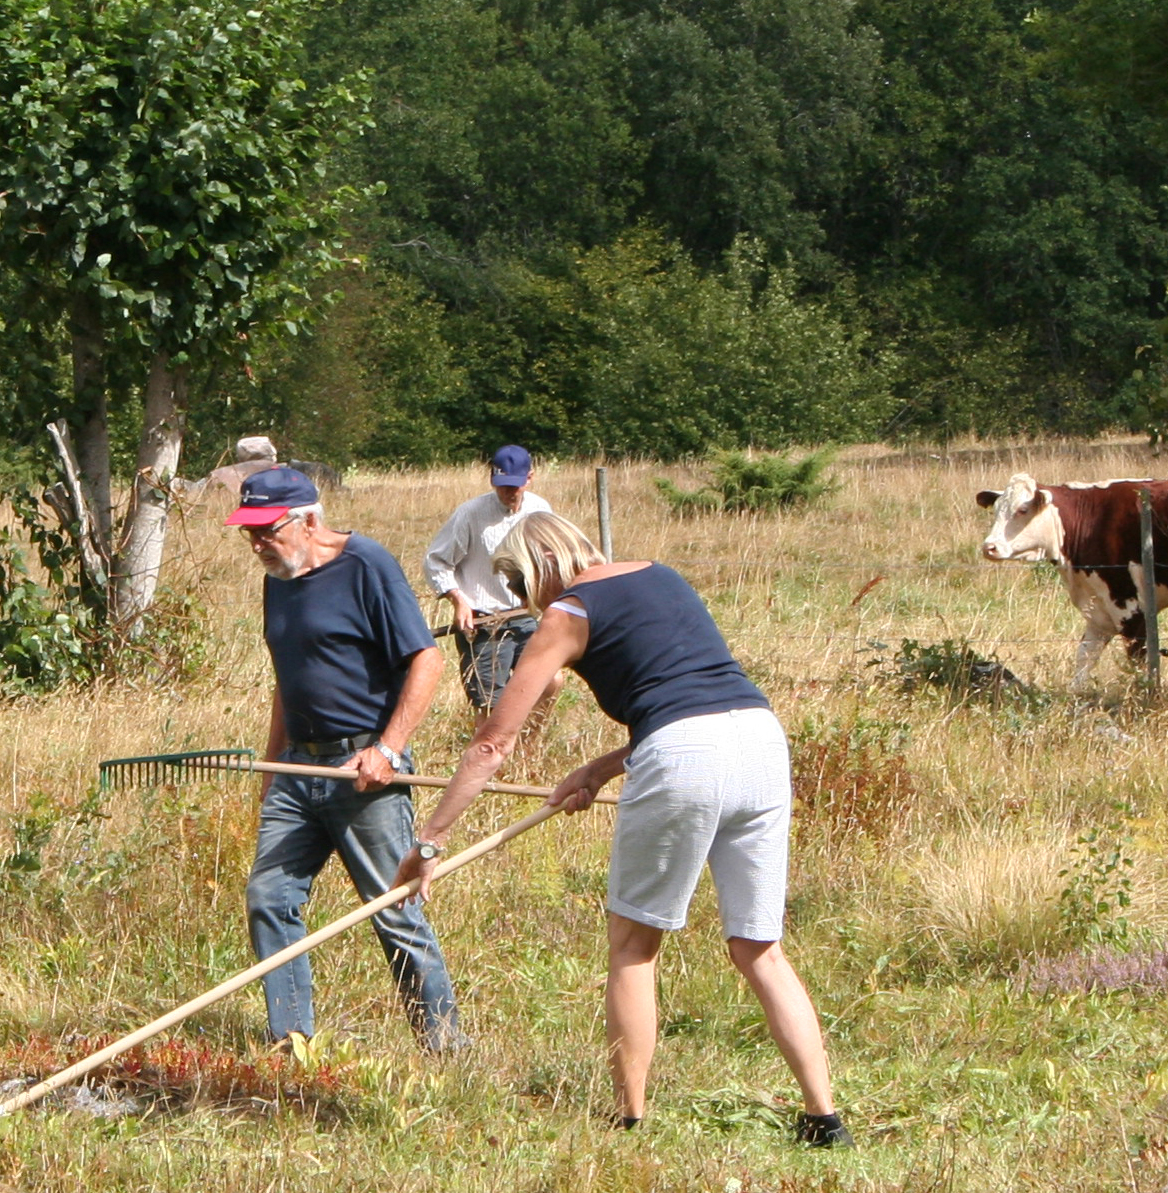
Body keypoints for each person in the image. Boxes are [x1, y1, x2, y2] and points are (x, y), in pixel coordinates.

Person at [393, 510, 846, 1143]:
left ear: (537, 568)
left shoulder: (567, 612)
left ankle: (629, 1118)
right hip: (762, 743)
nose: (530, 606)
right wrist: (603, 768)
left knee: (635, 947)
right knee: (758, 946)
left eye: (523, 591)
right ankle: (824, 1118)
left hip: (686, 756)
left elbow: (493, 743)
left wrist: (429, 841)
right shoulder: (664, 576)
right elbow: (690, 696)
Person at [228, 464, 465, 1052]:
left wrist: (387, 749)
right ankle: (291, 1042)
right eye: (248, 533)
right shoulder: (278, 576)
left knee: (393, 911)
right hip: (297, 768)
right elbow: (289, 680)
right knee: (270, 898)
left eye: (267, 530)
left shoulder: (367, 565)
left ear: (309, 519)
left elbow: (426, 659)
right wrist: (273, 766)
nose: (258, 543)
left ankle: (445, 1047)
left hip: (363, 774)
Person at [421, 444, 555, 710]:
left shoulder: (540, 510)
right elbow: (436, 561)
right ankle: (491, 746)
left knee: (550, 682)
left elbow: (548, 558)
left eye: (514, 485)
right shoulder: (471, 514)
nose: (508, 492)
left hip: (524, 617)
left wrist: (541, 594)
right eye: (501, 484)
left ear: (530, 478)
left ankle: (528, 748)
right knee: (491, 705)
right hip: (484, 624)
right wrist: (459, 601)